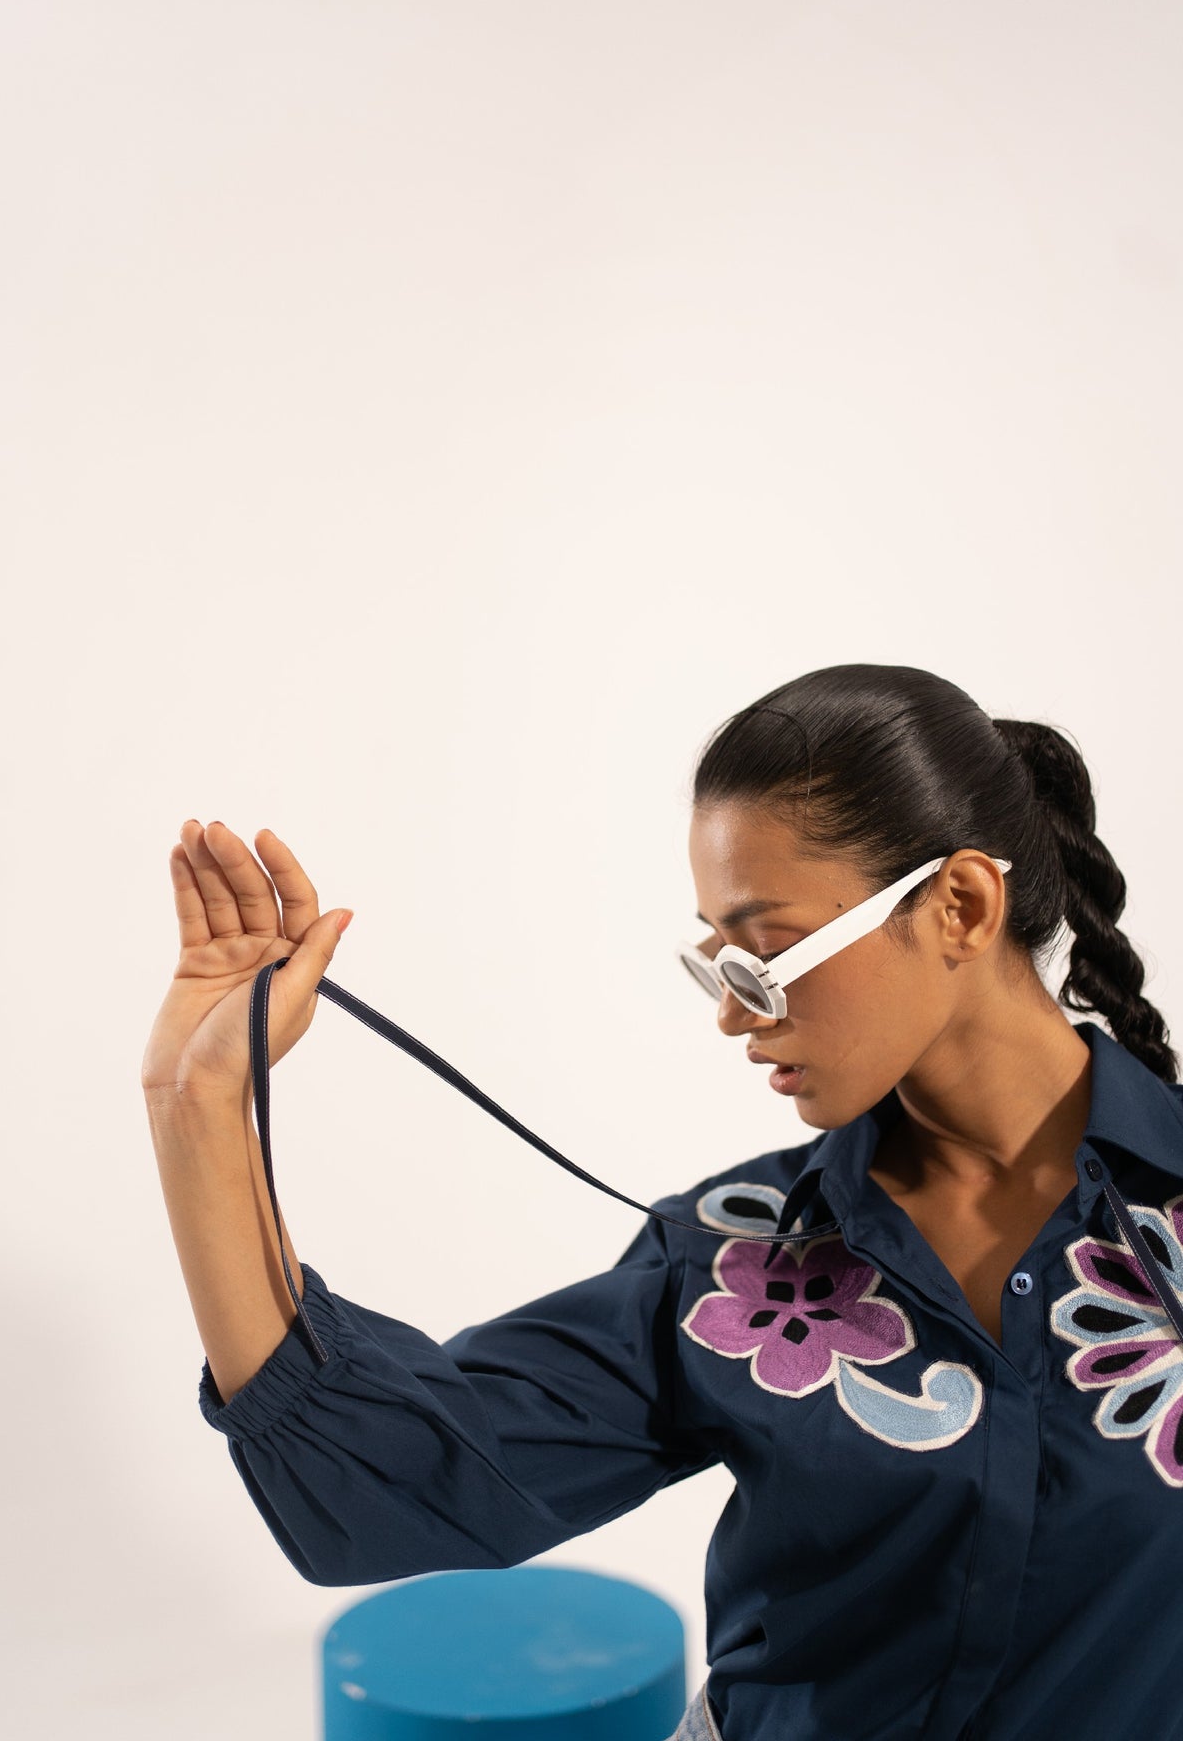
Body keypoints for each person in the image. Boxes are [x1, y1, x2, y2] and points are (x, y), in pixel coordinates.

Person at [142, 662, 1183, 1741]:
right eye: (719, 961)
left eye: (769, 953)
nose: (737, 1017)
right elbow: (379, 1495)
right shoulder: (736, 1263)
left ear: (960, 906)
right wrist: (197, 1110)